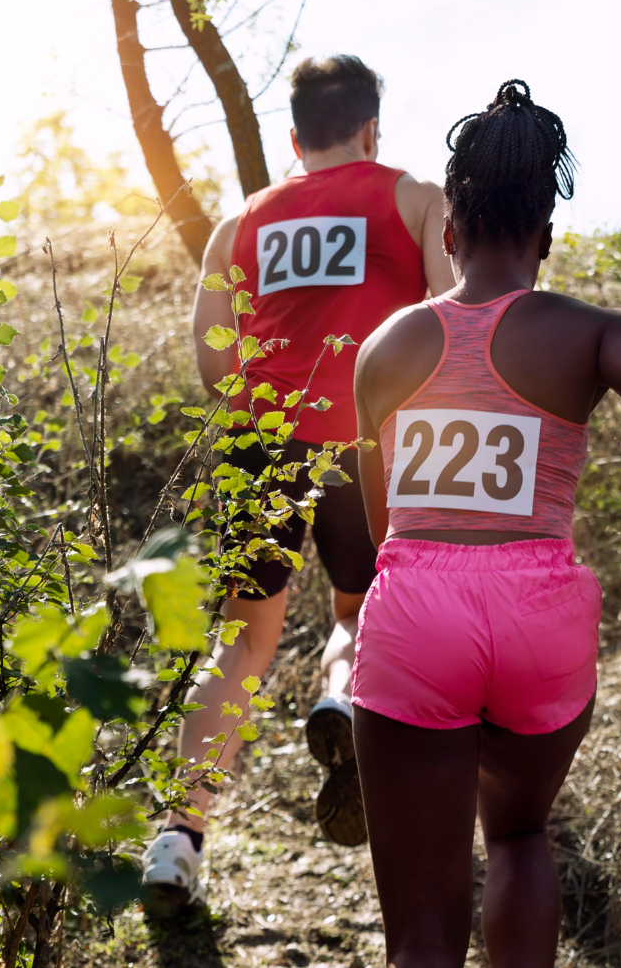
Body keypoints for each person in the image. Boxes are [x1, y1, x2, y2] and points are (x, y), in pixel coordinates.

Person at [350, 80, 621, 967]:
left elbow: (382, 514)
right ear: (545, 240)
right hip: (539, 616)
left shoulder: (386, 346)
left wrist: (407, 584)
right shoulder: (589, 331)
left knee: (421, 940)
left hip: (417, 610)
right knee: (518, 840)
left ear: (449, 233)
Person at [142, 54, 455, 914]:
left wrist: (269, 402)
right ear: (369, 127)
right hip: (370, 439)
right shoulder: (416, 198)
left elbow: (212, 360)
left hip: (260, 443)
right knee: (357, 609)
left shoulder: (240, 221)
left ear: (292, 137)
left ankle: (177, 840)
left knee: (243, 640)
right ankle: (340, 697)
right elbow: (457, 314)